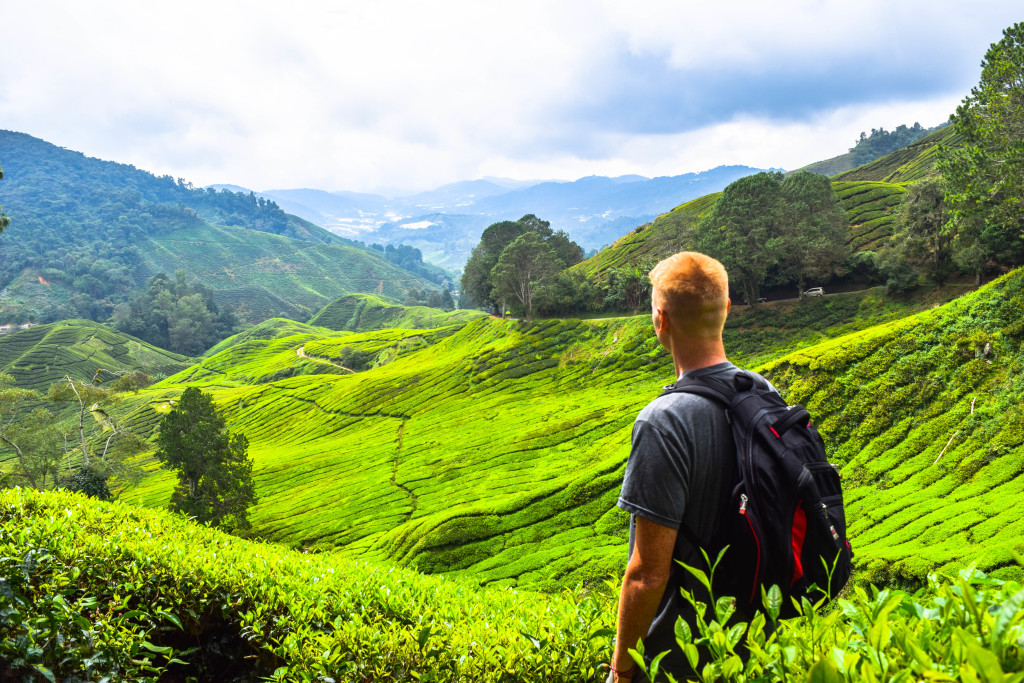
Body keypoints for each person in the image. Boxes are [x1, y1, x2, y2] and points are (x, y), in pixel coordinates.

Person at [608, 251, 769, 682]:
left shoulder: (664, 421)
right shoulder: (763, 393)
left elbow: (647, 573)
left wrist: (621, 671)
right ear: (727, 310)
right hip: (758, 639)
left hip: (685, 655)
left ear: (660, 319)